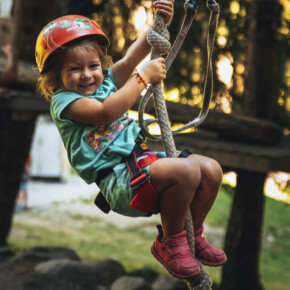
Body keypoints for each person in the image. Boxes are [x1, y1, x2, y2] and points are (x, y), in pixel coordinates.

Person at [35, 0, 227, 280]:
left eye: (93, 65)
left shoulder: (104, 82)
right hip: (121, 182)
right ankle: (169, 244)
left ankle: (190, 235)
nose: (87, 75)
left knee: (211, 170)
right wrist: (142, 79)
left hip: (145, 164)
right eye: (75, 69)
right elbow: (104, 113)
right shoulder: (65, 101)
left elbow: (128, 60)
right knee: (186, 170)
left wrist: (155, 27)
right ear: (55, 75)